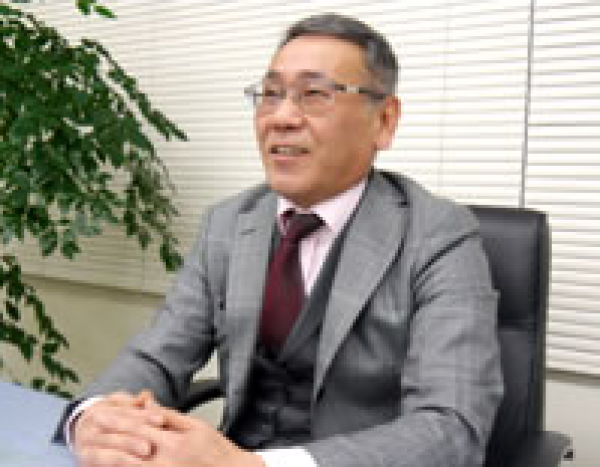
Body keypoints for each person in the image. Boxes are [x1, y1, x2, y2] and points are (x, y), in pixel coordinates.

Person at [58, 13, 503, 467]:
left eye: (315, 94)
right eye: (270, 94)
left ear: (384, 121)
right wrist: (93, 418)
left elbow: (452, 428)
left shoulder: (439, 235)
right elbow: (157, 357)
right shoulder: (229, 224)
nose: (281, 117)